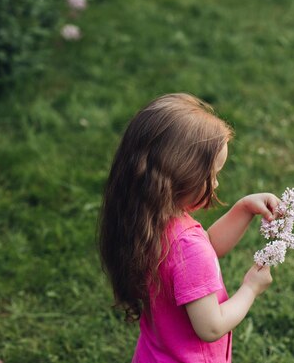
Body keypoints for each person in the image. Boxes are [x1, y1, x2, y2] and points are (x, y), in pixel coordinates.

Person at [99, 93, 279, 362]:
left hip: (154, 353)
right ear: (182, 175)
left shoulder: (148, 219)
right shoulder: (188, 246)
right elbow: (211, 326)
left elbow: (205, 250)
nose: (216, 184)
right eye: (213, 175)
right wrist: (250, 288)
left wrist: (243, 209)